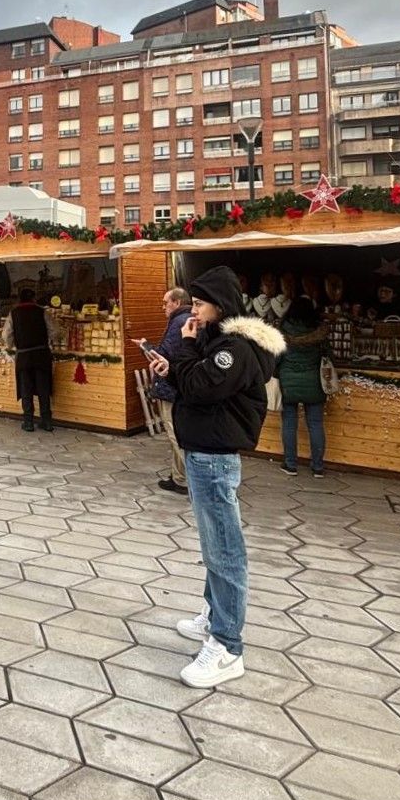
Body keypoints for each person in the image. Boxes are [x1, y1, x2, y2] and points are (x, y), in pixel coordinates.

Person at [148, 264, 285, 688]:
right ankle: (214, 615)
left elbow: (204, 386)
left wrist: (184, 354)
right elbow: (195, 382)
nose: (194, 309)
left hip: (214, 455)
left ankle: (227, 645)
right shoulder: (216, 342)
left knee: (224, 550)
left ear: (220, 305)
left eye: (201, 303)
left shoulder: (234, 349)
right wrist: (173, 367)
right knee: (213, 546)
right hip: (203, 451)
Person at [277, 295, 329, 476]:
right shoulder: (319, 330)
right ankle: (318, 467)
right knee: (315, 424)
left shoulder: (283, 329)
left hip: (288, 381)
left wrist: (276, 374)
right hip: (314, 381)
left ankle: (290, 464)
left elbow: (277, 355)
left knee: (289, 424)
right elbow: (328, 355)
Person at [152, 287, 193, 493]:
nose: (163, 307)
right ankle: (178, 477)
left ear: (176, 302)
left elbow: (164, 354)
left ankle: (188, 479)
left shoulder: (178, 322)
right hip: (180, 385)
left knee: (174, 434)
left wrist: (147, 349)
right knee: (176, 433)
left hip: (171, 385)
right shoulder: (185, 319)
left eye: (165, 302)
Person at [2, 288, 55, 432]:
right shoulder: (42, 312)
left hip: (24, 356)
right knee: (43, 388)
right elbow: (53, 331)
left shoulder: (14, 313)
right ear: (34, 298)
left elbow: (7, 334)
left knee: (26, 388)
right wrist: (51, 343)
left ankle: (28, 421)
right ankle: (47, 421)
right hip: (42, 354)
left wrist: (10, 346)